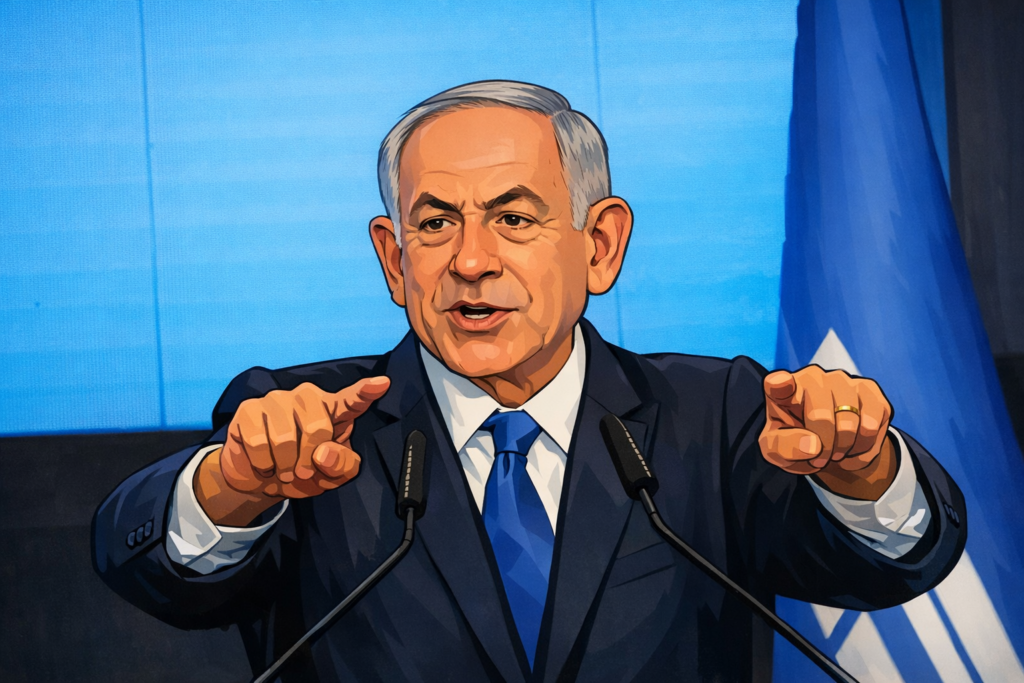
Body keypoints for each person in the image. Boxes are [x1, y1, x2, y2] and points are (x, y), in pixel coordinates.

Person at [92, 81, 966, 682]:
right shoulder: (307, 428)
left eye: (513, 217)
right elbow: (152, 571)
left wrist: (865, 472)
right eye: (435, 224)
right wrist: (232, 485)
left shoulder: (717, 417)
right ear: (394, 260)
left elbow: (892, 563)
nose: (471, 260)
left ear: (601, 245)